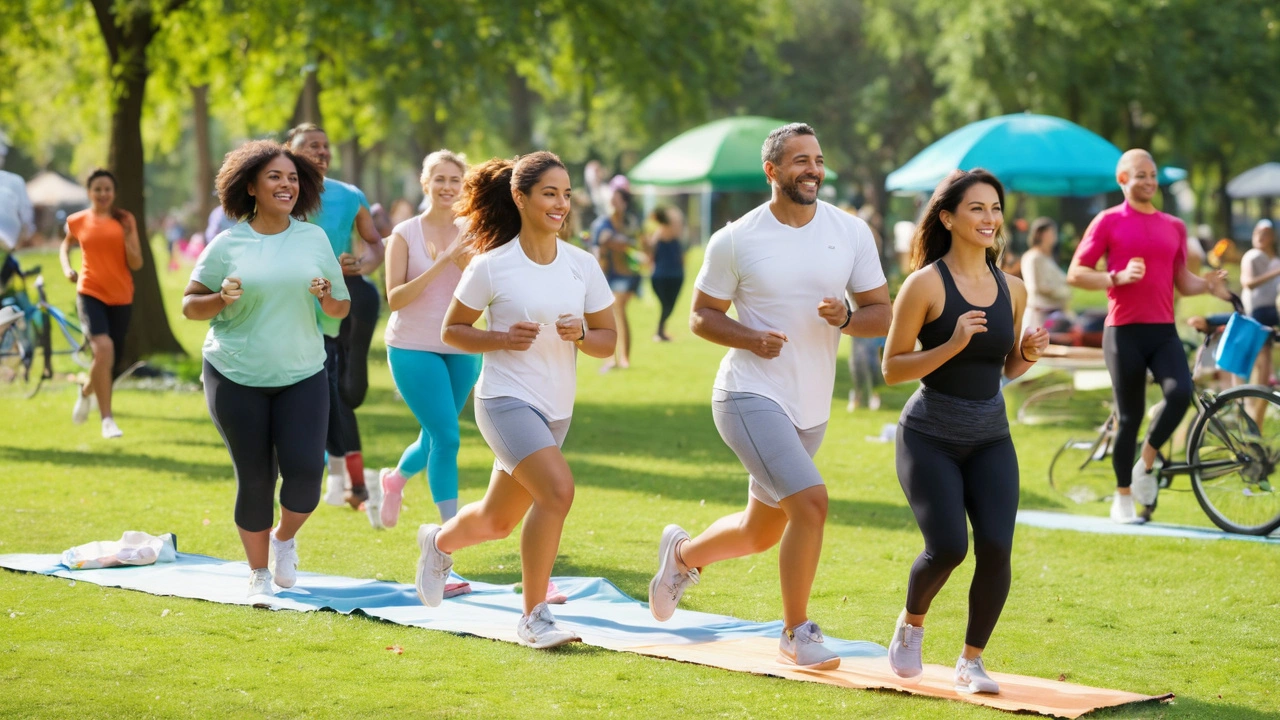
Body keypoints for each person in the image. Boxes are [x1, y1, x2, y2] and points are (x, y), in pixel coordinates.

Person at [647, 123, 891, 670]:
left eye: (819, 159)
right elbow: (701, 316)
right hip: (748, 394)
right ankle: (796, 632)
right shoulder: (736, 238)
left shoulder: (850, 232)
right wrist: (750, 337)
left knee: (761, 531)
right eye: (800, 160)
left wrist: (848, 318)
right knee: (811, 503)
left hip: (811, 404)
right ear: (772, 171)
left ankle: (682, 556)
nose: (813, 169)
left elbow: (882, 312)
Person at [414, 152, 617, 649]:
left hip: (556, 410)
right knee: (557, 492)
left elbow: (608, 341)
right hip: (505, 401)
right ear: (520, 197)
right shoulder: (491, 266)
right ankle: (534, 617)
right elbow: (453, 330)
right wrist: (501, 338)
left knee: (496, 521)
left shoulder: (581, 265)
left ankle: (437, 544)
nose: (561, 204)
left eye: (567, 194)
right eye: (550, 193)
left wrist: (582, 334)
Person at [880, 169, 1048, 695]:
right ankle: (911, 622)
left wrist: (1026, 355)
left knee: (997, 546)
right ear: (948, 218)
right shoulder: (925, 284)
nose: (989, 218)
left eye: (995, 208)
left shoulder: (1012, 288)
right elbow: (892, 368)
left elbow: (1003, 369)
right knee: (949, 547)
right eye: (977, 209)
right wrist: (950, 343)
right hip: (929, 436)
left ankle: (971, 661)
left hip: (990, 438)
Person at [181, 140, 349, 602]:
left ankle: (283, 540)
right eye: (275, 176)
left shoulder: (313, 239)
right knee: (255, 476)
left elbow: (340, 305)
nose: (286, 184)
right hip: (234, 374)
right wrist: (221, 299)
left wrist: (325, 296)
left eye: (293, 178)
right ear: (251, 186)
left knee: (304, 479)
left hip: (302, 373)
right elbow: (190, 306)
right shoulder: (228, 243)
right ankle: (258, 574)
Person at [1067, 149, 1230, 523]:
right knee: (1130, 416)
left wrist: (1207, 285)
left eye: (1153, 174)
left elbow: (1182, 281)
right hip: (1123, 332)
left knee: (1179, 394)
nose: (1149, 181)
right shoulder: (1107, 221)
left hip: (1162, 330)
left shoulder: (1173, 225)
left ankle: (1146, 461)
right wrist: (1116, 278)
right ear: (1122, 180)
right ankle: (1123, 496)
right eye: (1140, 175)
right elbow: (1077, 272)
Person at [285, 124, 386, 517]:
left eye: (326, 146)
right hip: (291, 308)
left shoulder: (349, 195)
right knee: (319, 392)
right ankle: (347, 481)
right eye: (312, 146)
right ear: (290, 151)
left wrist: (361, 263)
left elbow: (375, 242)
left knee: (343, 393)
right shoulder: (282, 193)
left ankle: (347, 480)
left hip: (339, 304)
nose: (322, 152)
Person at [380, 150, 482, 527]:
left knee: (435, 434)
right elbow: (395, 299)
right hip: (412, 347)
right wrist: (442, 262)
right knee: (447, 437)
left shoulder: (474, 232)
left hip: (462, 347)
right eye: (439, 179)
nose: (447, 187)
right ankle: (447, 538)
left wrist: (462, 261)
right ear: (426, 184)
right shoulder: (404, 234)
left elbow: (486, 291)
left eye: (455, 180)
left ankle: (394, 480)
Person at [59, 170, 144, 439]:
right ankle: (107, 420)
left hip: (121, 295)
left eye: (107, 189)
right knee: (103, 349)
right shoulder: (78, 220)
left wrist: (128, 238)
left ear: (114, 193)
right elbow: (66, 245)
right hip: (90, 291)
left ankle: (85, 390)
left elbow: (137, 264)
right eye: (97, 189)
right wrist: (67, 269)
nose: (103, 194)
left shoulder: (125, 219)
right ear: (89, 192)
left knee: (110, 360)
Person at [590, 182, 641, 370]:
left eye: (617, 200)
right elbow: (598, 246)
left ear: (624, 203)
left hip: (628, 274)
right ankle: (612, 359)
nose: (613, 203)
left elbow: (638, 244)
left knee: (619, 310)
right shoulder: (602, 223)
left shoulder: (630, 222)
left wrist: (622, 242)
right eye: (611, 200)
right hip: (607, 274)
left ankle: (623, 359)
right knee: (612, 315)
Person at [1239, 219, 1279, 425]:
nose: (1260, 236)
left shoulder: (1274, 259)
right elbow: (1248, 283)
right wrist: (1275, 273)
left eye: (1265, 233)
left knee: (1265, 364)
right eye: (1257, 232)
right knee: (1262, 365)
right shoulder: (1252, 256)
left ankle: (1257, 415)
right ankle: (1256, 420)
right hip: (1256, 313)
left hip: (1273, 311)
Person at [1020, 217, 1073, 331]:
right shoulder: (1034, 257)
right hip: (1042, 316)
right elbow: (1040, 286)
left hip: (1054, 314)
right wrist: (1065, 293)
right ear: (1041, 234)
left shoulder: (1046, 257)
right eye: (1052, 232)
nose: (1055, 236)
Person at [645, 205, 686, 342]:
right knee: (668, 306)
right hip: (670, 275)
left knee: (666, 306)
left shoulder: (657, 234)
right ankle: (660, 331)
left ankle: (660, 331)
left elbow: (650, 256)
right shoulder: (671, 234)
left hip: (663, 275)